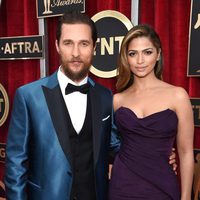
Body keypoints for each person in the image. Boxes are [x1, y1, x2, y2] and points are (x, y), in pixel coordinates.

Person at [5, 12, 176, 200]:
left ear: (94, 48)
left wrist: (156, 151)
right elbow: (15, 164)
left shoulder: (104, 97)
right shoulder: (29, 96)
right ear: (57, 46)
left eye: (84, 44)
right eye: (68, 43)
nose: (76, 53)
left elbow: (115, 145)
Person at [109, 24, 194, 200]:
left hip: (162, 185)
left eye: (147, 52)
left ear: (158, 55)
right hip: (122, 185)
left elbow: (186, 153)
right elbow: (106, 143)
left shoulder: (178, 96)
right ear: (126, 57)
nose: (140, 60)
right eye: (133, 54)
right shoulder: (117, 100)